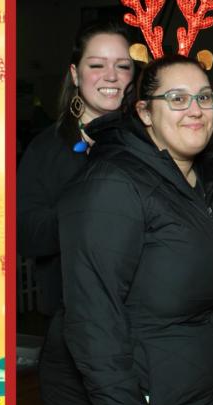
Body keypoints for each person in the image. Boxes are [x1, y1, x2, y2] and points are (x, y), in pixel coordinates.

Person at [39, 54, 213, 405]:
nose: (194, 110)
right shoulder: (112, 185)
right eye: (176, 98)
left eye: (204, 97)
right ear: (145, 113)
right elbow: (93, 324)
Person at [17, 20, 136, 315]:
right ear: (75, 74)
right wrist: (84, 215)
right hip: (71, 314)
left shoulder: (148, 141)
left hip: (142, 316)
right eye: (97, 65)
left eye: (123, 66)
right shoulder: (46, 148)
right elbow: (24, 233)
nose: (112, 75)